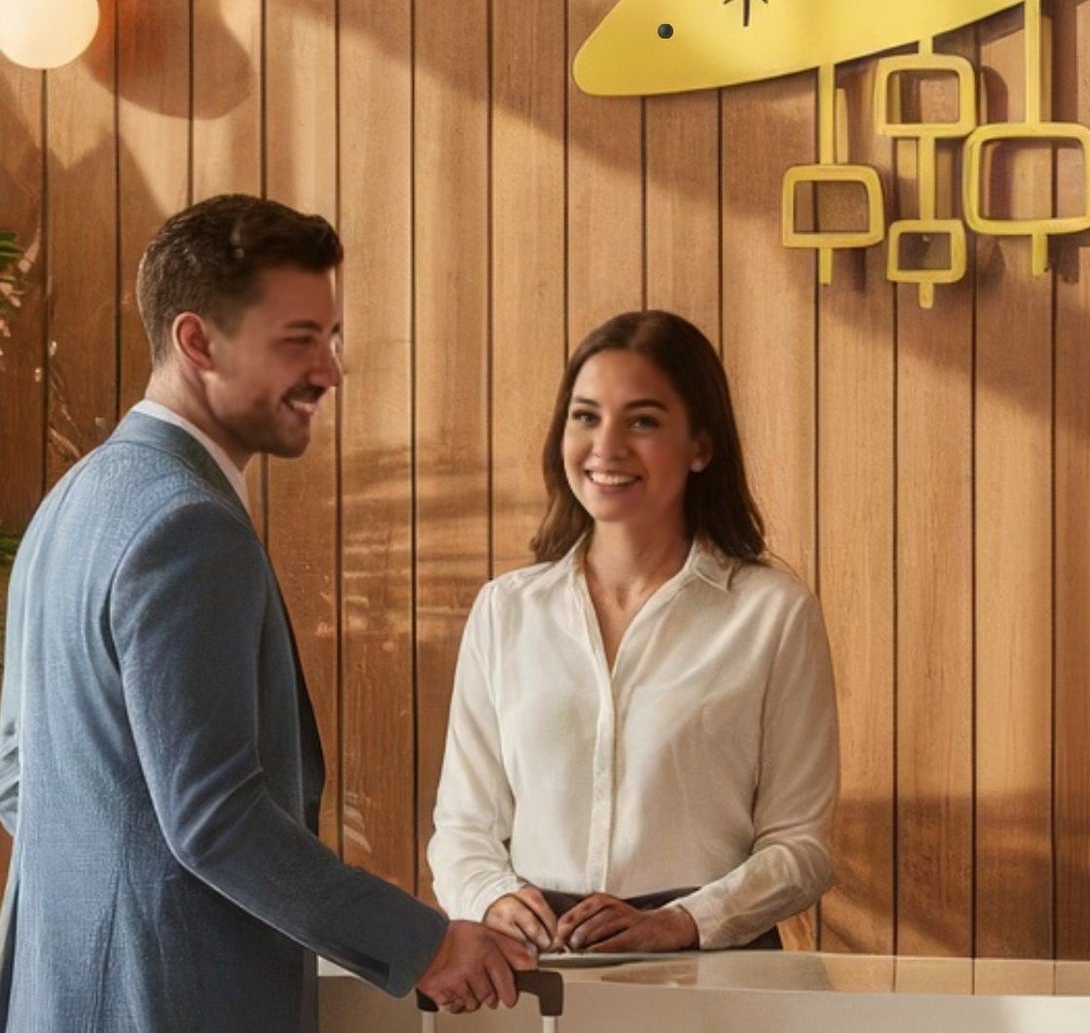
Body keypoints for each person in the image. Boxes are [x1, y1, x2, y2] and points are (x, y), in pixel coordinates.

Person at [0, 195, 536, 1029]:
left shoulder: (71, 503)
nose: (330, 370)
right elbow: (215, 819)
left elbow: (17, 772)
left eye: (332, 338)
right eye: (299, 340)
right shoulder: (188, 524)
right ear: (197, 342)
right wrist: (424, 945)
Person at [429, 310, 838, 955]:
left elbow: (800, 848)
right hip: (538, 969)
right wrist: (490, 897)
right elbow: (462, 825)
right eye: (586, 417)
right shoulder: (505, 611)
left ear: (701, 447)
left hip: (711, 972)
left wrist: (682, 922)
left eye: (642, 421)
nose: (607, 447)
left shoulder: (773, 614)